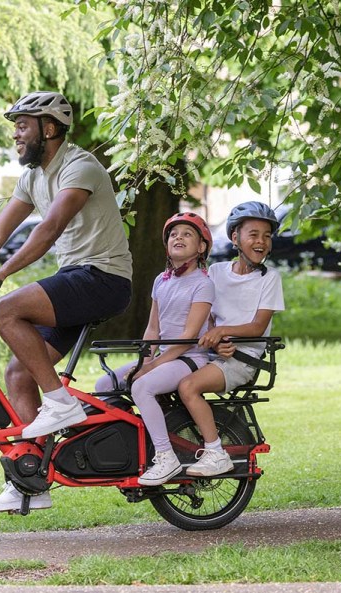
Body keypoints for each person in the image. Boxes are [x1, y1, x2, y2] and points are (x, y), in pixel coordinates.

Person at [0, 91, 133, 511]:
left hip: (104, 278)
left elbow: (51, 227)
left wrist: (3, 274)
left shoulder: (81, 166)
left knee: (6, 309)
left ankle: (60, 403)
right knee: (18, 374)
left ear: (49, 128)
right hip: (75, 277)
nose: (16, 135)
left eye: (23, 125)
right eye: (15, 127)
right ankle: (30, 480)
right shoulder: (32, 177)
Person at [95, 213, 214, 486]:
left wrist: (149, 369)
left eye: (187, 234)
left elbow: (187, 338)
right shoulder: (162, 280)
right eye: (173, 234)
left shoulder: (202, 284)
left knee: (142, 387)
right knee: (105, 383)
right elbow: (153, 330)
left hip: (190, 359)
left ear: (201, 247)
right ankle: (133, 444)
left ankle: (165, 457)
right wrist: (144, 361)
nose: (178, 237)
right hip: (164, 356)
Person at [177, 201, 285, 477]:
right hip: (214, 352)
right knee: (165, 379)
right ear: (235, 238)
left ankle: (216, 452)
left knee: (188, 387)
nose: (261, 241)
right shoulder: (216, 272)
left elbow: (258, 326)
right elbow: (208, 318)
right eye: (254, 234)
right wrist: (216, 338)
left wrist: (224, 333)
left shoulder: (269, 278)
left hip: (242, 360)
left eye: (267, 236)